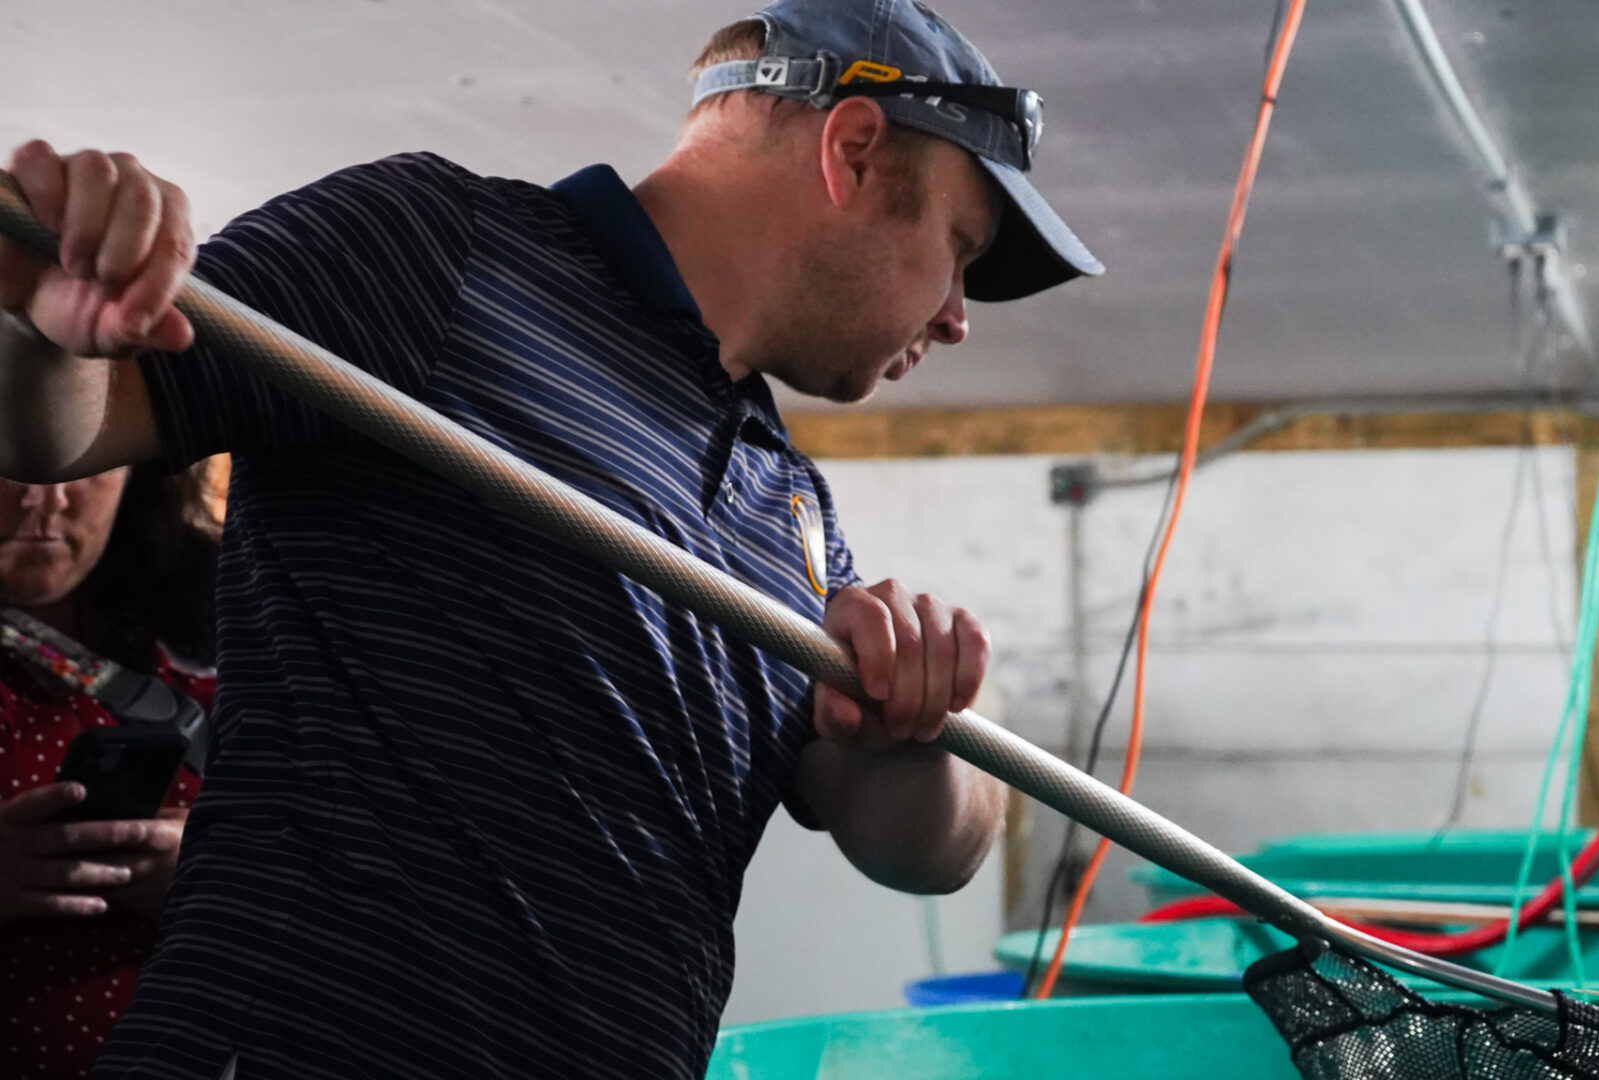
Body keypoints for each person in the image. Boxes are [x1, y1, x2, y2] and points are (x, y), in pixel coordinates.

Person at [0, 0, 1102, 1075]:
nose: (959, 316)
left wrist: (910, 734)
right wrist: (40, 325)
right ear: (853, 151)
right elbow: (68, 424)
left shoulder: (792, 508)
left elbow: (921, 852)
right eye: (959, 247)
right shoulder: (441, 250)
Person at [0, 464, 220, 1079]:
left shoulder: (229, 627)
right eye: (4, 462)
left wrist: (218, 866)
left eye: (85, 465)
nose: (46, 497)